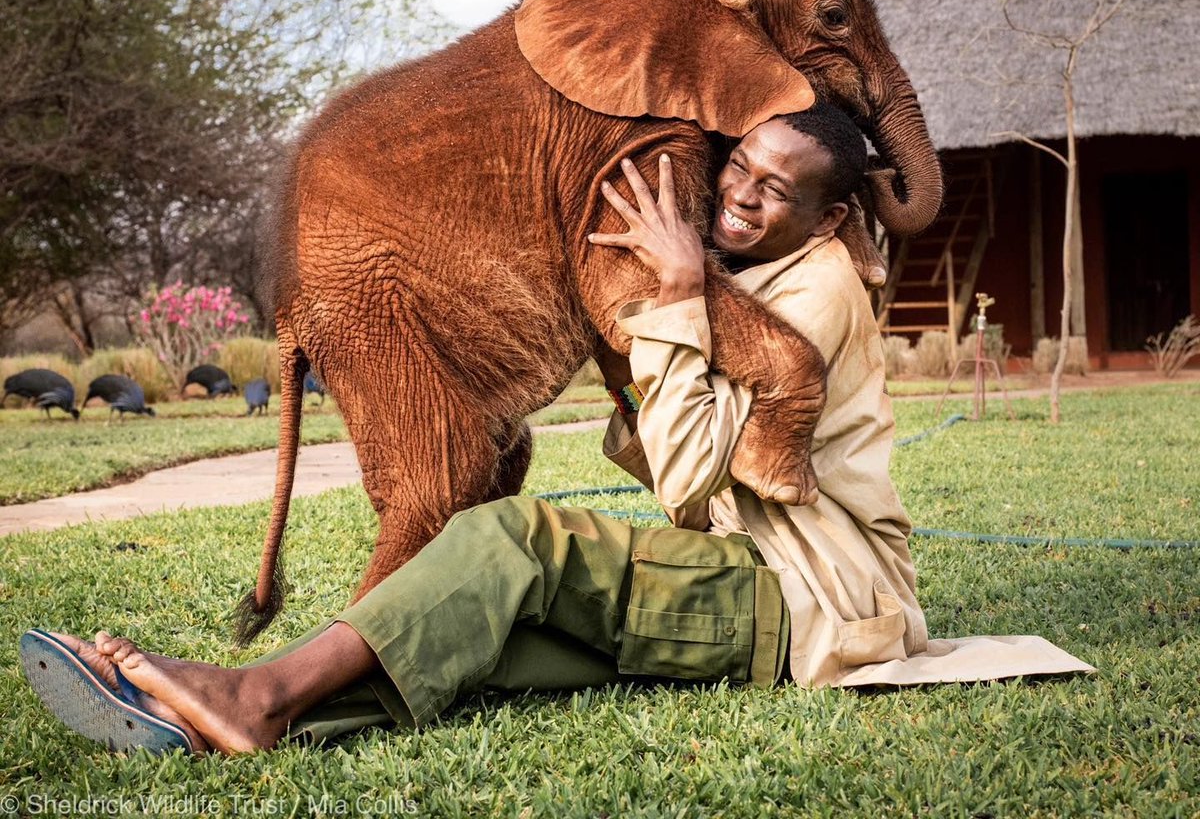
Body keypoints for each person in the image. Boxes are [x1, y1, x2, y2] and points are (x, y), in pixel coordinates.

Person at [20, 105, 1090, 756]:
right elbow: (684, 461)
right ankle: (203, 726)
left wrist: (673, 297)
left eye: (780, 192)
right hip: (745, 579)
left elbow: (683, 477)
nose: (743, 199)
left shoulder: (813, 298)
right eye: (742, 170)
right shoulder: (759, 274)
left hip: (800, 601)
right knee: (480, 644)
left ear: (833, 217)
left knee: (510, 539)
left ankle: (248, 692)